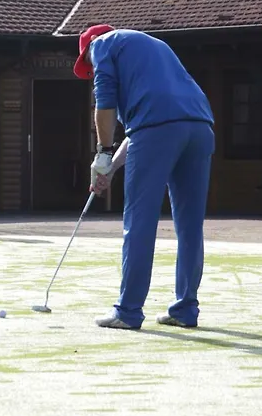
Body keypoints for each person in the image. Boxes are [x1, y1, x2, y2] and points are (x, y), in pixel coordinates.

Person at [73, 24, 215, 330]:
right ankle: (185, 309)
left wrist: (102, 152)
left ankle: (128, 311)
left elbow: (105, 103)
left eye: (89, 67)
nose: (93, 71)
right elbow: (139, 129)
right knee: (190, 225)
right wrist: (111, 168)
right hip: (200, 128)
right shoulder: (150, 48)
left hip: (157, 131)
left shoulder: (101, 44)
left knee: (139, 221)